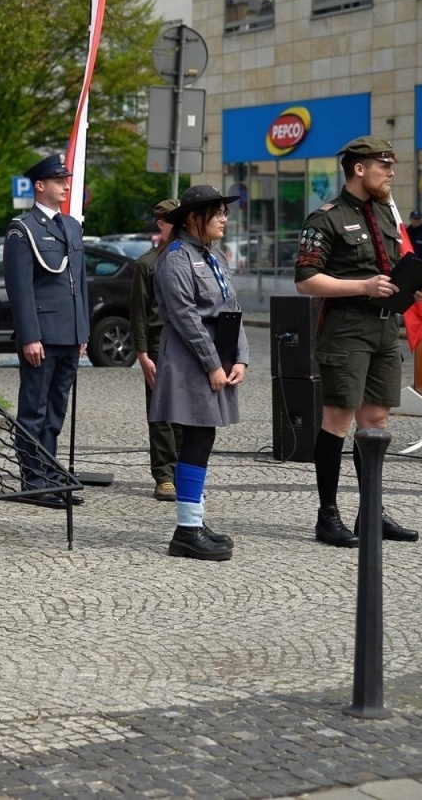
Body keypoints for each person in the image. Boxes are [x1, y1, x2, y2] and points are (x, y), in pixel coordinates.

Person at [294, 136, 422, 548]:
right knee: (337, 420)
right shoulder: (325, 219)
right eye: (384, 165)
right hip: (346, 328)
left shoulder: (385, 212)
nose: (391, 172)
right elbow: (305, 280)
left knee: (377, 421)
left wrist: (412, 287)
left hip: (385, 328)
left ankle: (371, 512)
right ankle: (327, 515)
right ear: (359, 169)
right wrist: (363, 286)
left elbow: (391, 268)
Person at [149, 185, 246, 561]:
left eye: (224, 212)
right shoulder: (175, 259)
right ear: (193, 218)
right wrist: (213, 364)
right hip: (192, 361)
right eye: (217, 212)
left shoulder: (214, 256)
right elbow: (186, 318)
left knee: (202, 438)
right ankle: (186, 530)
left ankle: (194, 521)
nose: (224, 219)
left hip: (215, 360)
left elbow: (231, 307)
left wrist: (240, 358)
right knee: (196, 438)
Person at [3, 153, 90, 508]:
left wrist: (83, 330)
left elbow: (80, 283)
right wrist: (30, 336)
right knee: (34, 410)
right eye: (58, 181)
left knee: (55, 410)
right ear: (40, 186)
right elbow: (20, 288)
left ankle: (51, 473)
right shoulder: (22, 229)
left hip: (69, 334)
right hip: (43, 334)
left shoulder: (71, 226)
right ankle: (33, 479)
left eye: (66, 180)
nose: (66, 186)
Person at [130, 198, 183, 501]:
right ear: (161, 224)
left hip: (187, 343)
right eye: (174, 221)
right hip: (157, 343)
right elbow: (138, 314)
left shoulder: (192, 258)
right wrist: (142, 354)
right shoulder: (147, 264)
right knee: (161, 413)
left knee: (187, 412)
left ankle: (184, 470)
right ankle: (164, 476)